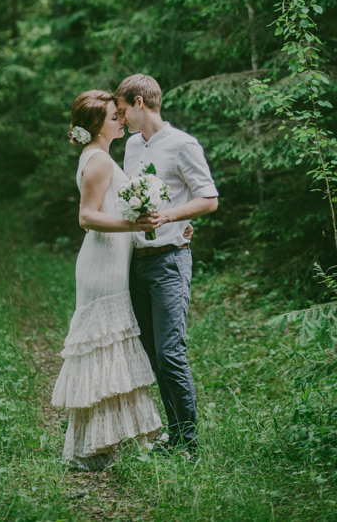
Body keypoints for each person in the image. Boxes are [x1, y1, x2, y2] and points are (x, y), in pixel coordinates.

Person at [51, 90, 162, 470]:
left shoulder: (100, 156)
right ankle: (96, 446)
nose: (121, 120)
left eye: (120, 114)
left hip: (112, 261)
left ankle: (108, 441)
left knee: (112, 348)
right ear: (96, 126)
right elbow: (87, 217)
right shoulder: (98, 161)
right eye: (114, 116)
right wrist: (133, 223)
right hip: (101, 264)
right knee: (105, 346)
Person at [115, 74, 218, 459]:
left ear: (140, 102)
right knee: (152, 353)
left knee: (171, 351)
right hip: (135, 264)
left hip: (170, 262)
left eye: (123, 109)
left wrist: (171, 217)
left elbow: (208, 198)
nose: (120, 117)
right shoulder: (130, 145)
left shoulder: (182, 145)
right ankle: (174, 437)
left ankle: (188, 445)